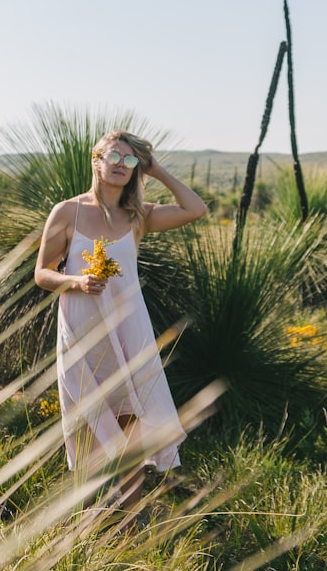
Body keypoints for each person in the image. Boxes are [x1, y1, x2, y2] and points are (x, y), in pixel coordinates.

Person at [34, 130, 207, 512]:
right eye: (114, 157)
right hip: (81, 330)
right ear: (96, 160)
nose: (121, 166)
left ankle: (130, 520)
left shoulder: (138, 216)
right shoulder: (67, 212)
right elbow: (42, 273)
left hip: (129, 331)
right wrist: (75, 281)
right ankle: (86, 520)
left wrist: (155, 169)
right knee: (85, 422)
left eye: (130, 162)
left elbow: (196, 209)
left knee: (131, 423)